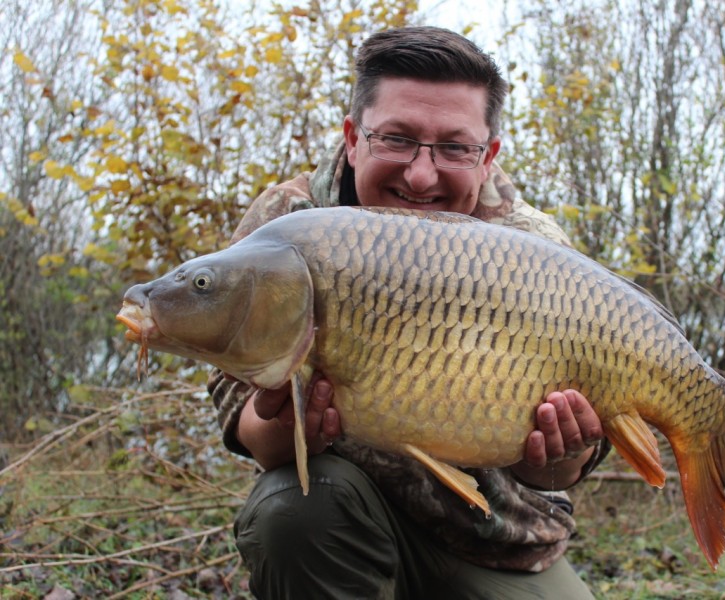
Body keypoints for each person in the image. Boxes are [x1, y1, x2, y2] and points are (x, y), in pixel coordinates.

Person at [208, 26, 609, 599]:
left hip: (501, 540)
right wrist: (287, 419)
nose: (421, 175)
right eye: (396, 139)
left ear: (488, 156)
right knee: (296, 511)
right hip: (341, 524)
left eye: (454, 148)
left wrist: (561, 452)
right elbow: (248, 429)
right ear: (352, 138)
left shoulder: (535, 250)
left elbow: (560, 474)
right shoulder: (287, 227)